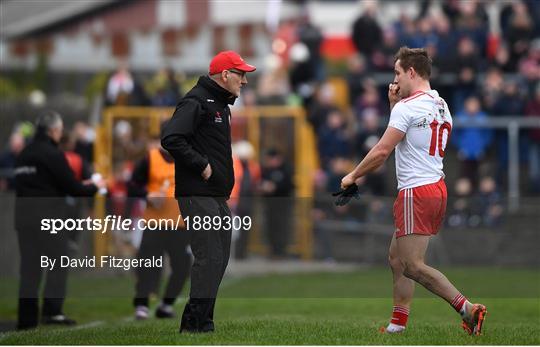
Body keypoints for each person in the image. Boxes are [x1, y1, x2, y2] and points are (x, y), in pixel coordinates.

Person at [340, 47, 487, 336]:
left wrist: (352, 175)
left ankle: (467, 309)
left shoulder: (409, 108)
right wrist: (395, 106)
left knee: (412, 265)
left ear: (411, 72)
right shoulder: (441, 103)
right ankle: (398, 324)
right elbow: (414, 136)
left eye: (397, 72)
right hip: (435, 188)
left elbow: (382, 151)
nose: (394, 79)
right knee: (396, 258)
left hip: (416, 192)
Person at [161, 50, 256, 333]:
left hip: (215, 196)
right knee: (209, 256)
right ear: (225, 75)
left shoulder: (219, 105)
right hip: (198, 194)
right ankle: (194, 324)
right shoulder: (197, 101)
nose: (245, 81)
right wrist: (201, 164)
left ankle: (204, 321)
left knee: (220, 256)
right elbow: (171, 138)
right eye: (241, 75)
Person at [14, 110, 105, 330]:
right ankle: (52, 312)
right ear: (54, 130)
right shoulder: (52, 154)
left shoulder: (24, 154)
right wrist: (96, 186)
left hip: (24, 219)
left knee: (29, 269)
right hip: (49, 219)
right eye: (60, 129)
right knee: (58, 263)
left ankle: (26, 320)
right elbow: (73, 187)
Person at [128, 134, 191, 320]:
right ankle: (142, 304)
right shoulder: (150, 159)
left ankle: (166, 304)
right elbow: (132, 185)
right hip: (155, 223)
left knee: (182, 266)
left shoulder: (187, 158)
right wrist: (147, 194)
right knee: (148, 264)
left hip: (180, 224)